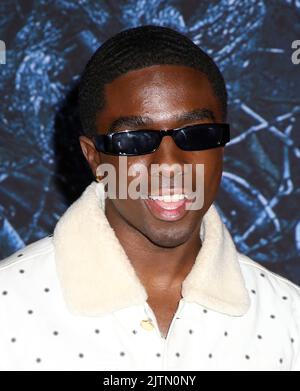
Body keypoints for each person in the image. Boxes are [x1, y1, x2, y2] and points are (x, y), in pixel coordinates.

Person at [0, 25, 299, 371]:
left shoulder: (288, 319)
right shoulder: (9, 306)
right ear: (93, 156)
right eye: (134, 140)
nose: (169, 165)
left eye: (197, 134)